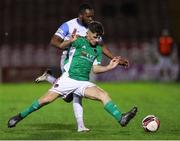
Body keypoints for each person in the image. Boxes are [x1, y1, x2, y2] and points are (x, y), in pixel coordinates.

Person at [8, 21, 137, 131]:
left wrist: (109, 67)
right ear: (88, 33)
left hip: (83, 83)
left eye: (99, 37)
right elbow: (59, 45)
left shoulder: (97, 49)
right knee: (43, 101)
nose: (97, 39)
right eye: (95, 36)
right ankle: (19, 116)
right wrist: (69, 41)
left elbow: (95, 69)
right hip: (67, 80)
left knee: (104, 95)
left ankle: (121, 118)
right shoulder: (78, 41)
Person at [35, 4, 129, 132]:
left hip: (83, 61)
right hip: (70, 59)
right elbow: (54, 41)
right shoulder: (68, 25)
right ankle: (81, 126)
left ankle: (50, 78)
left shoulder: (93, 28)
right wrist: (71, 45)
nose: (91, 19)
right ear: (80, 15)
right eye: (88, 16)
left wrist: (116, 59)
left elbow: (101, 46)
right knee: (75, 95)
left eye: (92, 16)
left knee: (68, 97)